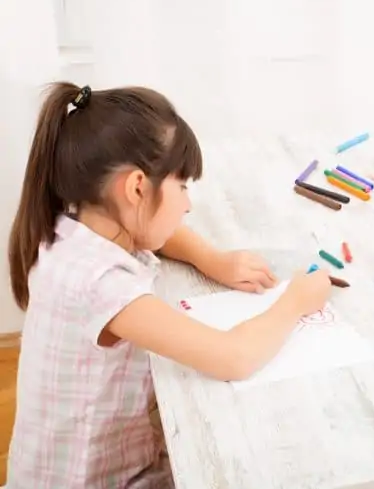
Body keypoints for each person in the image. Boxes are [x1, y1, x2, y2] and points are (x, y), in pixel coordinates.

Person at [5, 83, 333, 488]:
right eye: (182, 187)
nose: (188, 205)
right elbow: (233, 357)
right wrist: (294, 301)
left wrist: (211, 259)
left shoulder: (71, 225)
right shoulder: (103, 286)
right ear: (138, 187)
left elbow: (155, 233)